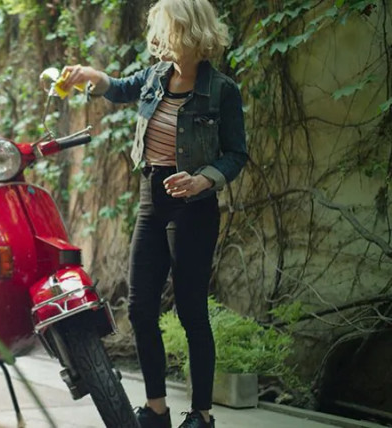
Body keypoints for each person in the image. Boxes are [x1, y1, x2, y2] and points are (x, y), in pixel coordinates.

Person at [57, 0, 249, 427]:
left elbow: (237, 154)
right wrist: (94, 77)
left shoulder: (222, 91)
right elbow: (121, 87)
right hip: (152, 198)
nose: (159, 39)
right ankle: (157, 408)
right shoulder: (155, 78)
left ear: (188, 31)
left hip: (195, 207)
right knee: (141, 308)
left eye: (166, 30)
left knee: (191, 311)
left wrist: (204, 179)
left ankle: (200, 415)